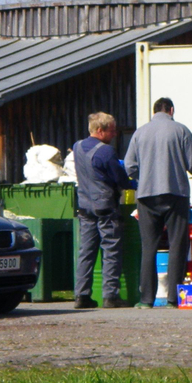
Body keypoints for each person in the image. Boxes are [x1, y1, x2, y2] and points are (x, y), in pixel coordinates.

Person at [125, 97, 192, 309]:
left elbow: (129, 166)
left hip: (146, 196)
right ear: (171, 110)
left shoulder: (139, 133)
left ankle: (146, 300)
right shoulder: (181, 130)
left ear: (154, 112)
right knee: (177, 245)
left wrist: (145, 176)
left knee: (148, 247)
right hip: (176, 194)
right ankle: (174, 299)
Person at [73, 112, 135, 309]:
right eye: (112, 131)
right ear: (100, 131)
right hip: (105, 206)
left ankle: (81, 295)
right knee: (111, 250)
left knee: (86, 251)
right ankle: (110, 296)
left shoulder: (77, 146)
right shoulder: (106, 151)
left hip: (84, 206)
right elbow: (120, 179)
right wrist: (134, 183)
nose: (115, 134)